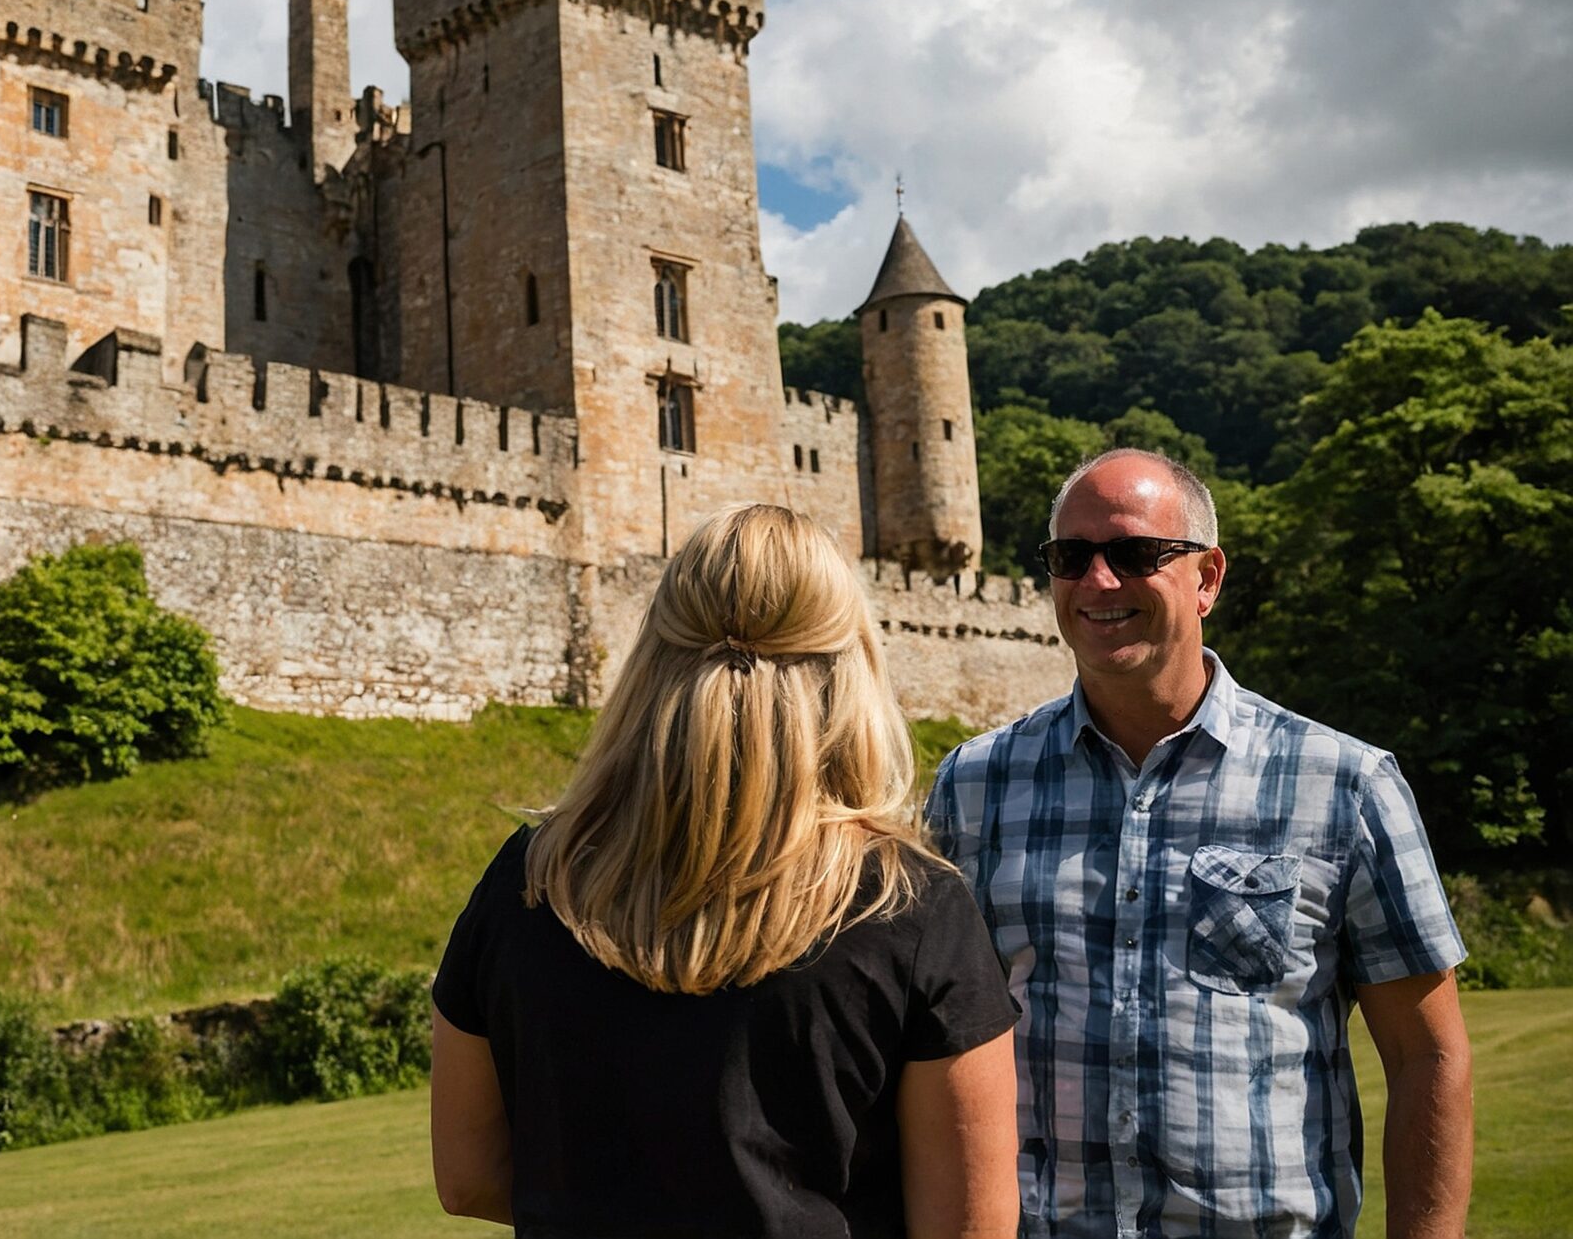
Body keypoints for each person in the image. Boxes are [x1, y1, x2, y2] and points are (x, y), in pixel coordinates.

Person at [924, 449, 1474, 1237]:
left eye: (1137, 554)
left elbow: (1429, 1058)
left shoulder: (1343, 783)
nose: (1099, 581)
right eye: (1071, 557)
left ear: (1208, 578)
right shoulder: (973, 786)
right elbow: (933, 1050)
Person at [430, 503, 1021, 1236]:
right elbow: (970, 1225)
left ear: (653, 652)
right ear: (850, 660)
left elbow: (467, 1174)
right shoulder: (908, 906)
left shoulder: (529, 880)